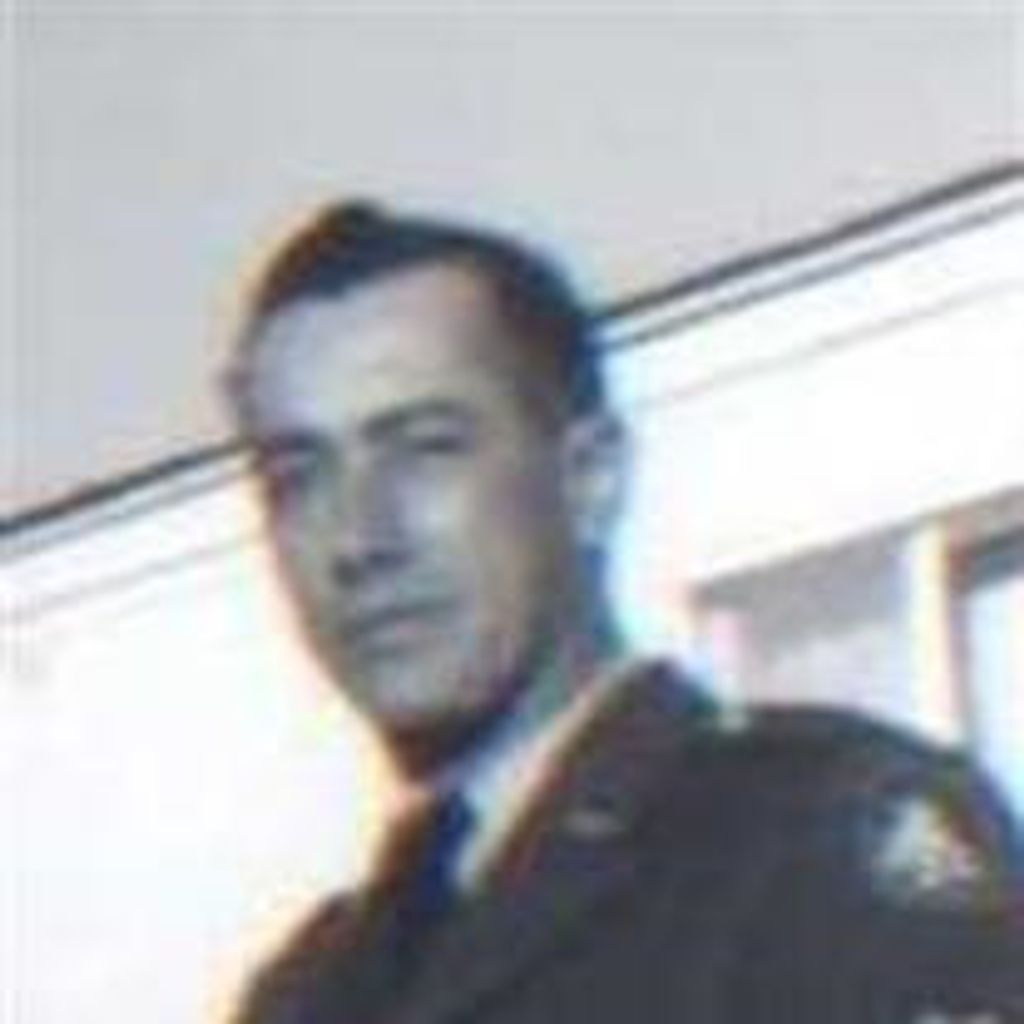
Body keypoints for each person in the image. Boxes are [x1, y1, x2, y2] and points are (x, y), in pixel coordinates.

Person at [224, 202, 1023, 1023]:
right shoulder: (315, 992)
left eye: (427, 448)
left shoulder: (812, 835)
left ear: (590, 478)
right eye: (298, 478)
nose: (359, 538)